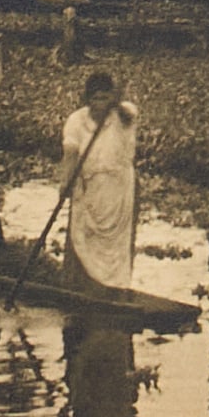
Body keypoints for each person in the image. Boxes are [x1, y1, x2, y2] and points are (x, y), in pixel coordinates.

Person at [59, 72, 138, 291]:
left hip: (117, 188)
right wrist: (66, 182)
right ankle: (83, 285)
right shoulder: (77, 120)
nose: (99, 104)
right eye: (95, 98)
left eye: (104, 98)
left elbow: (128, 114)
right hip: (88, 185)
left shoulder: (123, 115)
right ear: (87, 98)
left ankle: (115, 287)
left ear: (111, 98)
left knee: (116, 244)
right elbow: (71, 153)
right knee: (83, 234)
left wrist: (115, 105)